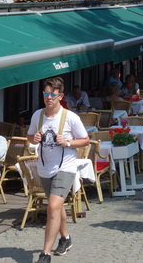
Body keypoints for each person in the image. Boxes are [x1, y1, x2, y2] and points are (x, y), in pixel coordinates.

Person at [28, 77, 90, 262]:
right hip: (45, 168)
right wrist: (35, 139)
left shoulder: (71, 117)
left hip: (66, 167)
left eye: (53, 95)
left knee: (53, 206)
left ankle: (45, 253)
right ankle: (66, 238)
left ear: (60, 96)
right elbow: (29, 136)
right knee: (57, 207)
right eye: (46, 94)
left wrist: (68, 142)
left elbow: (86, 140)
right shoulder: (37, 115)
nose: (49, 98)